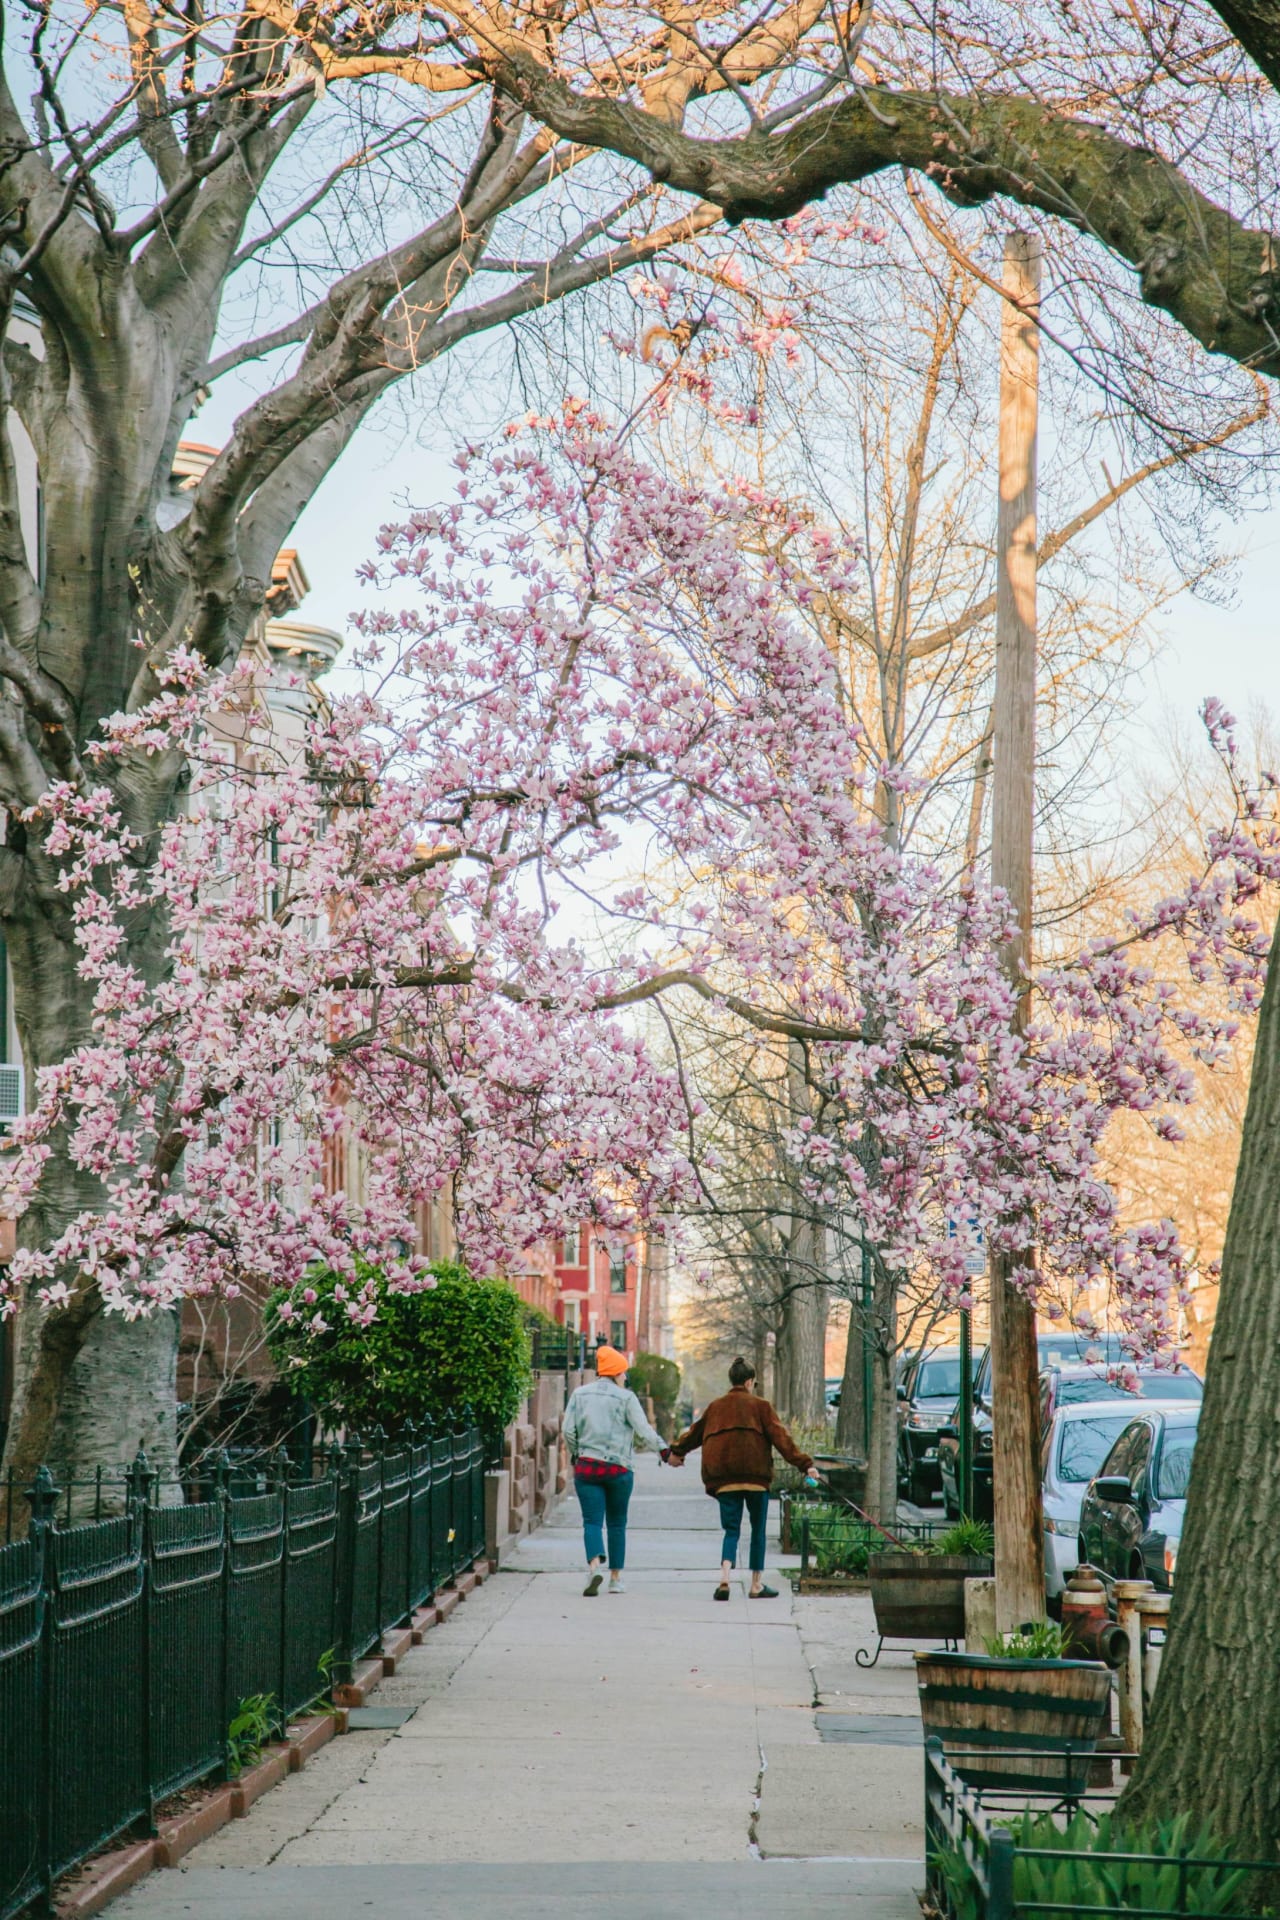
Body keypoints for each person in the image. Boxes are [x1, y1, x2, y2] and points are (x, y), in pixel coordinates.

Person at [666, 1356, 817, 1600]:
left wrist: (676, 1452)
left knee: (731, 1530)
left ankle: (725, 1578)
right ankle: (756, 1585)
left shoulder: (716, 1407)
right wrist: (806, 1465)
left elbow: (694, 1434)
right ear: (749, 1382)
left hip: (725, 1479)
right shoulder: (761, 1407)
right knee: (758, 1529)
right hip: (756, 1478)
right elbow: (782, 1440)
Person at [562, 1345, 666, 1596]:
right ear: (618, 1373)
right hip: (619, 1469)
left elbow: (567, 1430)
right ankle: (616, 1579)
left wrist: (578, 1453)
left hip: (588, 1467)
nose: (625, 1379)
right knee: (617, 1523)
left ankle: (594, 1568)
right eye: (624, 1374)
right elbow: (643, 1430)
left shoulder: (579, 1394)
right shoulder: (627, 1398)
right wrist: (664, 1451)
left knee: (592, 1522)